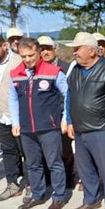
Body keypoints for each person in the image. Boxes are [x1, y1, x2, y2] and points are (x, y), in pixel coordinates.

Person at [65, 32, 105, 209]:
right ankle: (91, 199)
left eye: (77, 49)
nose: (74, 53)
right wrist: (69, 121)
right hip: (80, 128)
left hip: (102, 128)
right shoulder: (75, 70)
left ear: (92, 51)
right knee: (85, 168)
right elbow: (70, 97)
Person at [9, 38, 68, 209]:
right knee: (33, 164)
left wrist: (66, 119)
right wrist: (15, 122)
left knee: (54, 163)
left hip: (49, 127)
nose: (27, 59)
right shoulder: (15, 73)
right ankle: (37, 194)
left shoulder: (54, 71)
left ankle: (58, 197)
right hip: (27, 129)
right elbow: (12, 98)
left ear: (39, 52)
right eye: (23, 56)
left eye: (31, 55)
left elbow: (68, 96)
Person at [0, 32, 29, 202]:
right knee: (8, 150)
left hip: (19, 115)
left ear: (4, 45)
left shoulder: (19, 61)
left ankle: (31, 184)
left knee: (26, 150)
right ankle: (12, 184)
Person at [38, 35, 74, 189]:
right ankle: (48, 177)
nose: (45, 52)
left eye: (48, 48)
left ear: (55, 49)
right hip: (44, 116)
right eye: (42, 49)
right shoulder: (35, 69)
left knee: (64, 149)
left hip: (62, 114)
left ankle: (68, 177)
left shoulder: (66, 68)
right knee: (46, 149)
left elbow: (70, 94)